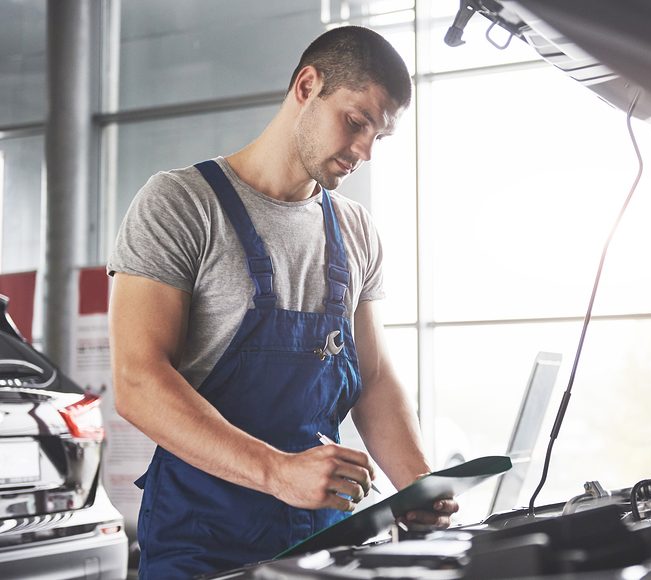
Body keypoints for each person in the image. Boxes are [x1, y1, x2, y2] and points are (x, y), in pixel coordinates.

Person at [108, 26, 458, 579]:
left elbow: (374, 378)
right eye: (357, 121)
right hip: (200, 542)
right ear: (307, 85)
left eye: (378, 137)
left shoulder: (355, 229)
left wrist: (418, 486)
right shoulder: (180, 204)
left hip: (318, 540)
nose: (365, 151)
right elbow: (137, 383)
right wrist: (277, 472)